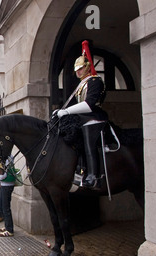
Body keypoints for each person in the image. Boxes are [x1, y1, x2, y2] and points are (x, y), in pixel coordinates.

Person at [55, 40, 107, 188]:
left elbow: (89, 104)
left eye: (81, 68)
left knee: (88, 138)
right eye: (76, 69)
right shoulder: (82, 84)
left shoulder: (95, 81)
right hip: (84, 117)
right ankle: (78, 169)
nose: (78, 72)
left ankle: (93, 175)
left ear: (88, 67)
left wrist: (66, 111)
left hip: (95, 116)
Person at [0, 159, 16, 237]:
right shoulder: (8, 158)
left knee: (5, 207)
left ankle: (9, 230)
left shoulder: (6, 160)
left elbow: (4, 175)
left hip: (7, 186)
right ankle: (7, 225)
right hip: (5, 185)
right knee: (1, 205)